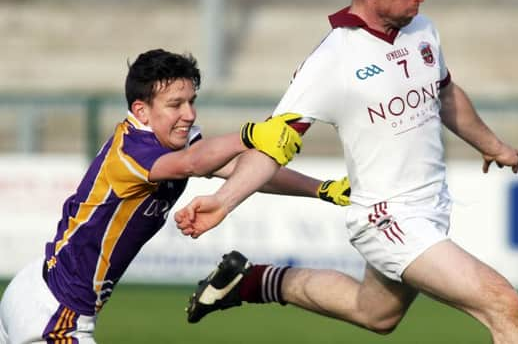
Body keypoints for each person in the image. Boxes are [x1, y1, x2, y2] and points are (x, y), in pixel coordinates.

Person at [175, 0, 518, 343]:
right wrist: (223, 201)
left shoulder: (423, 32)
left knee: (376, 313)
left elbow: (446, 93)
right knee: (502, 301)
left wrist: (493, 146)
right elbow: (272, 146)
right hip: (387, 218)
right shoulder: (333, 59)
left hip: (431, 209)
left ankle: (250, 282)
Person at [0, 49, 350, 343]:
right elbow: (192, 163)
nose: (189, 114)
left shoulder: (170, 140)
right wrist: (252, 133)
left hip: (34, 288)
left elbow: (243, 170)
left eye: (192, 101)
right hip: (56, 316)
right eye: (175, 104)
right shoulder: (131, 151)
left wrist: (320, 189)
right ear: (141, 111)